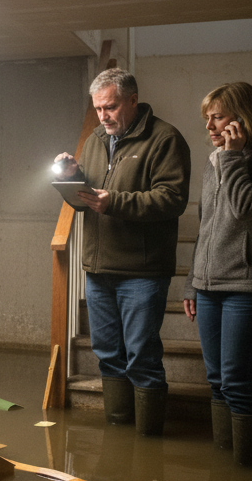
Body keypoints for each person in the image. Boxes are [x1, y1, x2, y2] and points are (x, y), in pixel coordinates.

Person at [55, 68, 191, 436]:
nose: (103, 116)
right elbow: (87, 201)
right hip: (99, 269)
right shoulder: (96, 140)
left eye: (110, 107)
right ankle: (119, 435)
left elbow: (172, 199)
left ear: (133, 100)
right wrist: (70, 178)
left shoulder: (165, 139)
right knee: (108, 356)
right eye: (98, 109)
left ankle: (148, 445)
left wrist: (113, 202)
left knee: (142, 358)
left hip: (142, 272)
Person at [181, 82, 252, 466]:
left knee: (237, 383)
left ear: (245, 116)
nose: (210, 127)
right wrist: (191, 283)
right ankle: (225, 472)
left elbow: (246, 207)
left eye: (218, 117)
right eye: (207, 119)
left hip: (250, 285)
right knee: (216, 384)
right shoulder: (216, 160)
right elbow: (206, 225)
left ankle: (248, 476)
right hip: (209, 285)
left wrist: (231, 157)